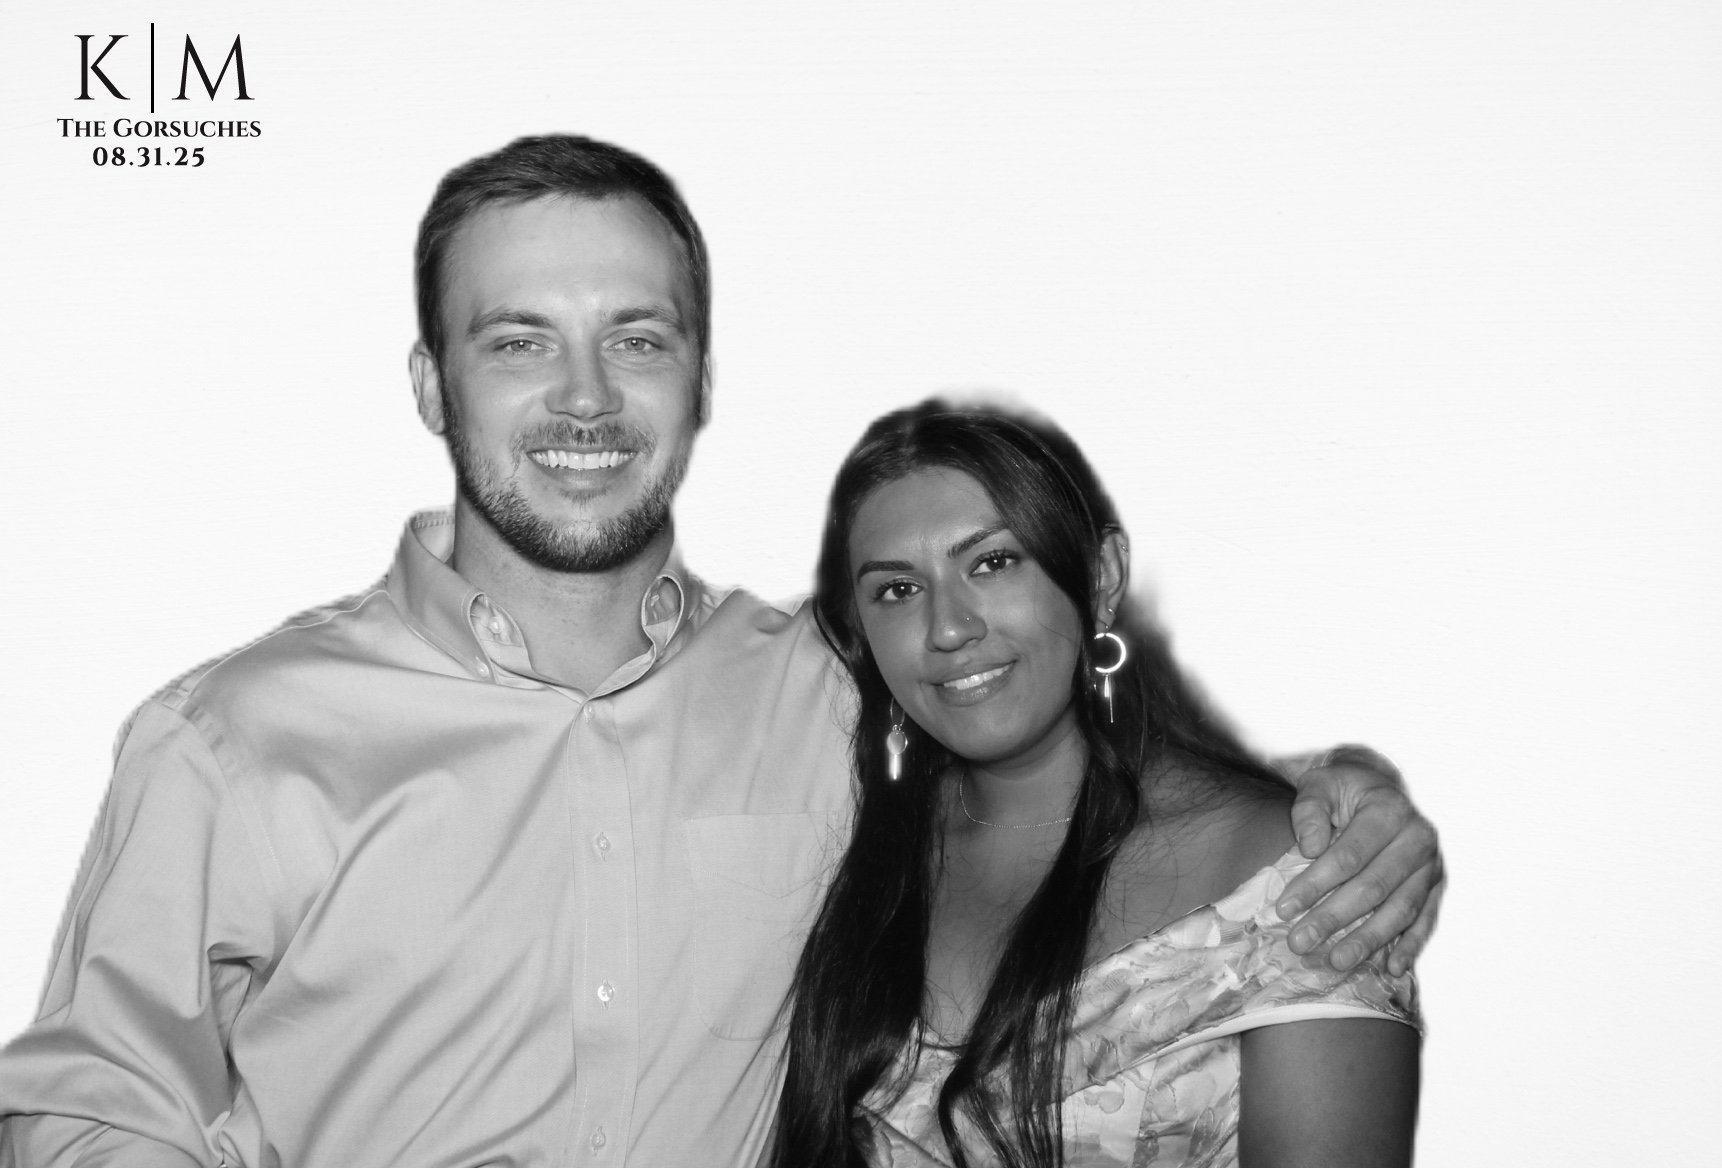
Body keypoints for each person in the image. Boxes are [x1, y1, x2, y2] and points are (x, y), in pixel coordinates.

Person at [0, 136, 1440, 1167]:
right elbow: (85, 1115)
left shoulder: (826, 692)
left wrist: (1330, 791)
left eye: (637, 340)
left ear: (700, 381)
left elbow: (1038, 739)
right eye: (518, 342)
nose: (584, 398)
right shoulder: (231, 742)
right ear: (433, 386)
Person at [772, 402, 1421, 1167]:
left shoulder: (1299, 876)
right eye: (897, 591)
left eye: (993, 563)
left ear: (1101, 576)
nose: (948, 628)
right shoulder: (853, 841)